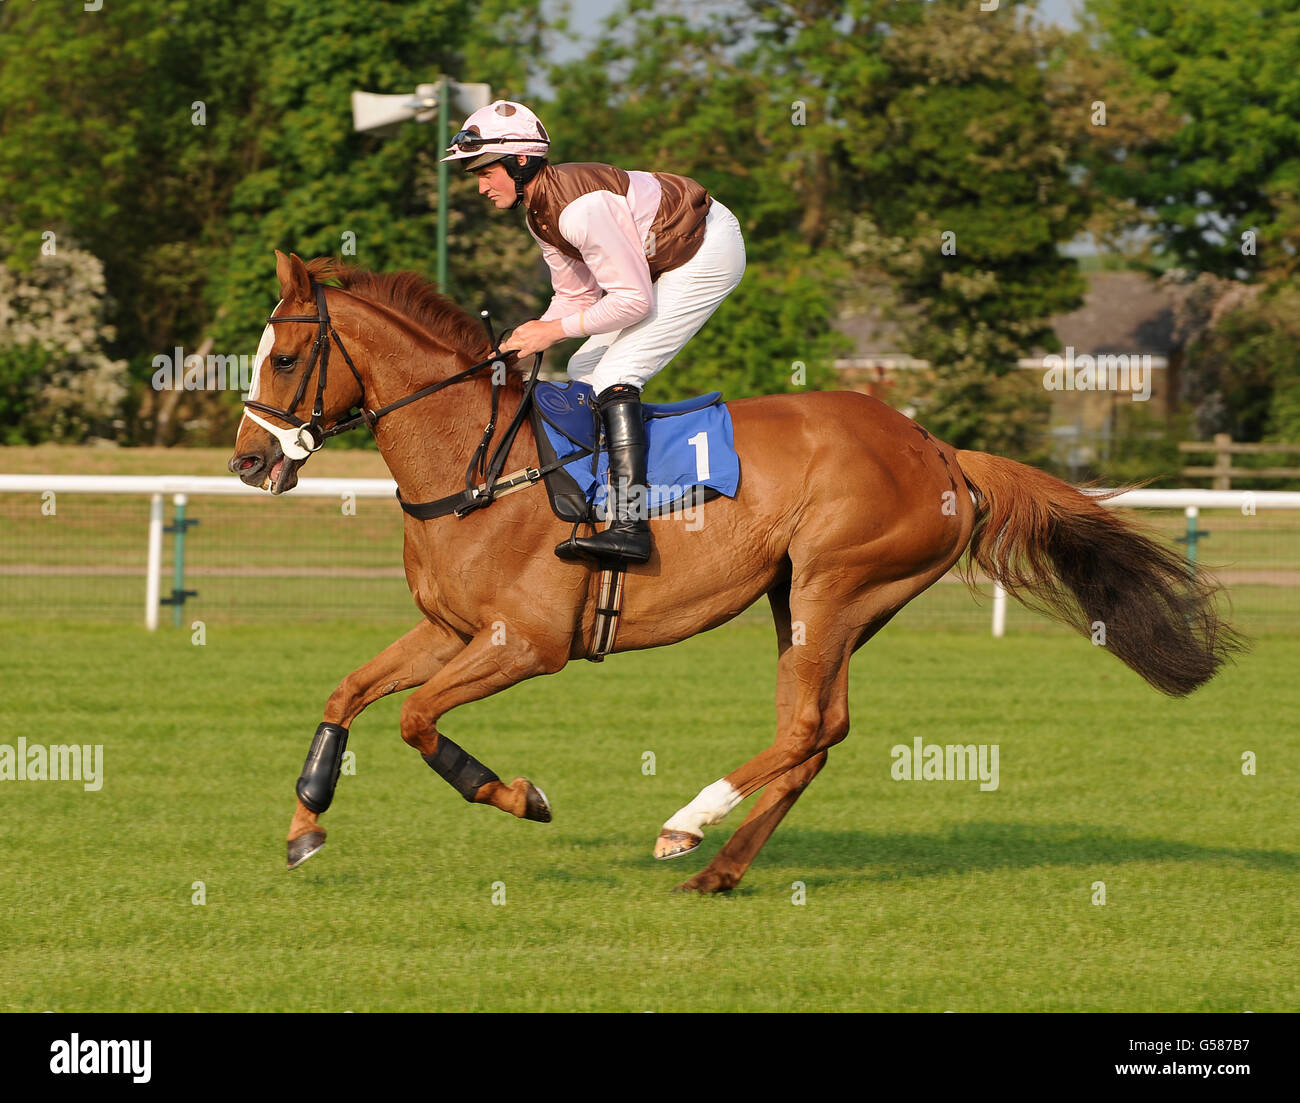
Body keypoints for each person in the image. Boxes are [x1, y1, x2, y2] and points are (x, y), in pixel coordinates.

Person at [442, 100, 746, 564]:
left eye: (486, 172)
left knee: (613, 377)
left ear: (520, 161)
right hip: (662, 260)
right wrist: (532, 334)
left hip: (705, 252)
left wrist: (550, 333)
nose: (480, 186)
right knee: (585, 367)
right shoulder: (539, 212)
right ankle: (604, 492)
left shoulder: (578, 210)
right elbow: (578, 298)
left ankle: (630, 525)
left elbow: (633, 302)